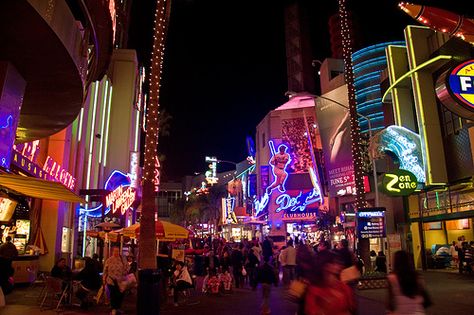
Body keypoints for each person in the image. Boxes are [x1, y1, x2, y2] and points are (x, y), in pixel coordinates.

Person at [305, 250, 355, 315]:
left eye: (338, 262)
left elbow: (351, 308)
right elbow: (311, 311)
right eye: (335, 263)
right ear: (325, 265)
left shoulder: (344, 287)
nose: (340, 265)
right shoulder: (314, 289)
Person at [386, 250, 432, 315]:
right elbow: (424, 295)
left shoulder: (392, 278)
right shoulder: (417, 277)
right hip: (417, 311)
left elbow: (390, 300)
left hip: (400, 312)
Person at [103, 246, 127, 315]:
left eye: (118, 251)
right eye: (115, 251)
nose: (116, 252)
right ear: (112, 252)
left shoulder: (122, 259)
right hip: (111, 281)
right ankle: (113, 309)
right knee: (113, 295)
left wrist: (125, 272)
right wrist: (104, 279)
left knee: (120, 295)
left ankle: (118, 308)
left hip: (121, 281)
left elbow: (127, 268)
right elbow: (105, 270)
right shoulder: (109, 260)